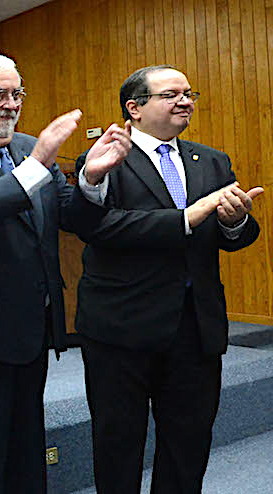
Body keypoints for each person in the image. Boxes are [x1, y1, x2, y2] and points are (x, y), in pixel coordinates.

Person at [0, 52, 131, 493]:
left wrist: (90, 178)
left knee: (27, 451)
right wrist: (36, 166)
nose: (11, 105)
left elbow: (71, 217)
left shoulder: (29, 148)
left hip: (33, 325)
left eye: (17, 94)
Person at [74, 65, 263, 493]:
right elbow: (99, 228)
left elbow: (234, 236)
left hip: (195, 329)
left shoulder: (211, 159)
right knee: (118, 445)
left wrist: (234, 223)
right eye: (171, 94)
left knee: (188, 443)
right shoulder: (104, 158)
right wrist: (187, 217)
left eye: (188, 93)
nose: (185, 101)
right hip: (121, 330)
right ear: (134, 108)